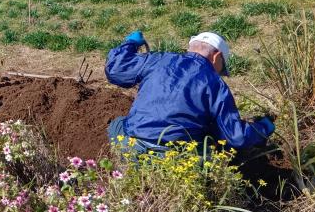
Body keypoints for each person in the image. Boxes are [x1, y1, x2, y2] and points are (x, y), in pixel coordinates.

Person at [105, 30, 275, 154]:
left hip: (132, 148)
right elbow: (236, 137)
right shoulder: (215, 83)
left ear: (190, 48)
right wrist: (262, 128)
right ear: (216, 57)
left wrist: (131, 43)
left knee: (118, 124)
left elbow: (116, 70)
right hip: (175, 158)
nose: (219, 73)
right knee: (211, 142)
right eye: (221, 68)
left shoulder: (158, 59)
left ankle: (119, 163)